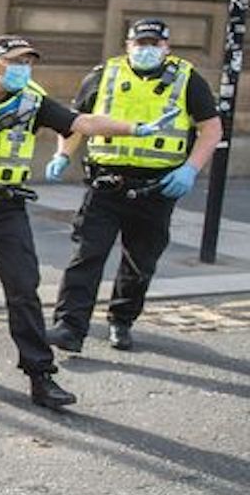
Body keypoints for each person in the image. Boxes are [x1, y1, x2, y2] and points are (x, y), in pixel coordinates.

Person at [0, 35, 176, 410]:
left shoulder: (32, 102)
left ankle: (41, 377)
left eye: (28, 63)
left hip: (5, 208)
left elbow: (82, 122)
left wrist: (137, 128)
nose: (24, 69)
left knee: (23, 290)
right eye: (16, 62)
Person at [45, 19, 223, 352]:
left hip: (157, 188)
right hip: (106, 184)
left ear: (166, 47)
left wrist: (190, 169)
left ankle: (121, 320)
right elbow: (75, 123)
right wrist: (62, 155)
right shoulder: (103, 75)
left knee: (140, 261)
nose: (146, 49)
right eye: (140, 43)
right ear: (128, 45)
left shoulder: (187, 80)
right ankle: (69, 327)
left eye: (154, 43)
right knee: (87, 255)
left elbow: (211, 130)